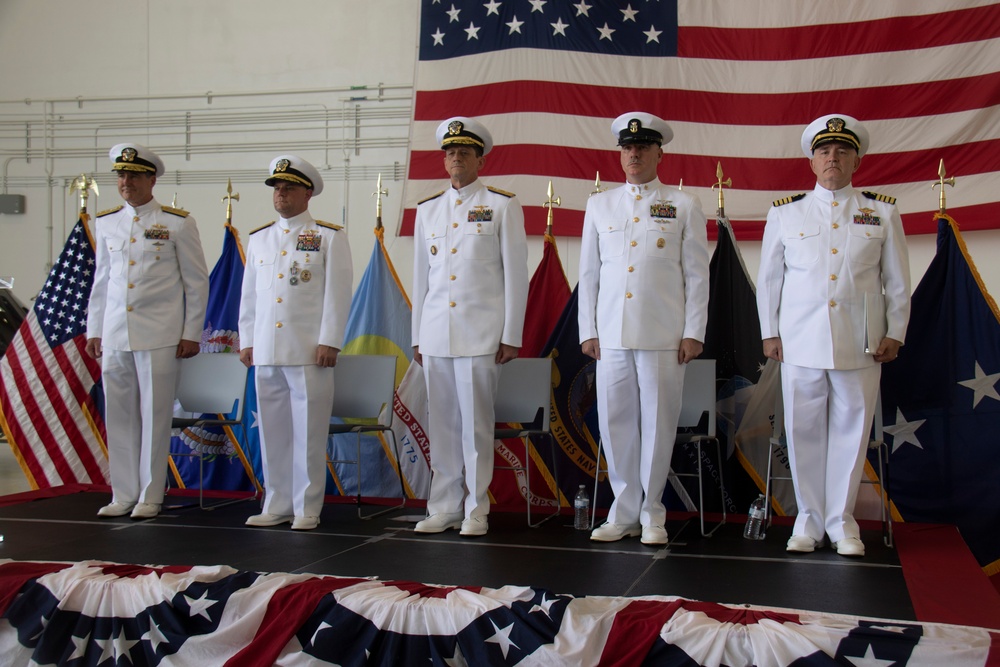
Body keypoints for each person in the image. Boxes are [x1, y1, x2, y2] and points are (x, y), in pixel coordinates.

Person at [756, 114, 910, 557]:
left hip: (860, 343)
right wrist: (770, 333)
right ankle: (807, 520)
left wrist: (895, 332)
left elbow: (896, 281)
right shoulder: (786, 212)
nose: (833, 158)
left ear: (857, 160)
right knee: (802, 432)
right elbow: (770, 281)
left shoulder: (881, 211)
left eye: (842, 151)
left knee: (851, 432)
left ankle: (843, 523)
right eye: (824, 151)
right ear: (812, 161)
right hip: (800, 341)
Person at [579, 112, 710, 546]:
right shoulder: (600, 205)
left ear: (659, 152)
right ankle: (623, 511)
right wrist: (588, 330)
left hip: (663, 335)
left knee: (657, 426)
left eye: (642, 147)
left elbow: (696, 275)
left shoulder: (683, 204)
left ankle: (653, 512)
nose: (634, 154)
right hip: (612, 334)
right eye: (627, 148)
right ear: (621, 153)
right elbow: (590, 273)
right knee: (616, 426)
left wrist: (694, 331)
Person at [411, 116, 529, 537]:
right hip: (437, 334)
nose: (456, 157)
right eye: (450, 151)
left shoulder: (501, 204)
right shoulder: (427, 210)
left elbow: (516, 274)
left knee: (476, 427)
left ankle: (476, 508)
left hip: (481, 335)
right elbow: (421, 279)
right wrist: (417, 336)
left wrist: (510, 334)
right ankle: (443, 505)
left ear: (480, 159)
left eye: (464, 151)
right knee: (441, 424)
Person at [86, 142, 209, 520]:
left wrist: (191, 332)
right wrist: (95, 329)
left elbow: (196, 282)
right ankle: (123, 493)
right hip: (116, 334)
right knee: (120, 416)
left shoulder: (176, 223)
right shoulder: (107, 222)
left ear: (151, 179)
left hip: (160, 334)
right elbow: (102, 282)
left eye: (134, 176)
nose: (126, 182)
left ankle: (151, 495)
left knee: (155, 416)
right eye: (121, 175)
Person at [238, 155, 352, 531]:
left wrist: (330, 341)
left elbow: (337, 295)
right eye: (276, 187)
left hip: (308, 352)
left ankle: (306, 508)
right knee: (272, 434)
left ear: (308, 192)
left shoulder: (328, 236)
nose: (281, 192)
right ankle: (276, 502)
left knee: (308, 433)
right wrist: (248, 340)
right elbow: (250, 297)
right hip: (267, 351)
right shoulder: (259, 239)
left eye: (288, 187)